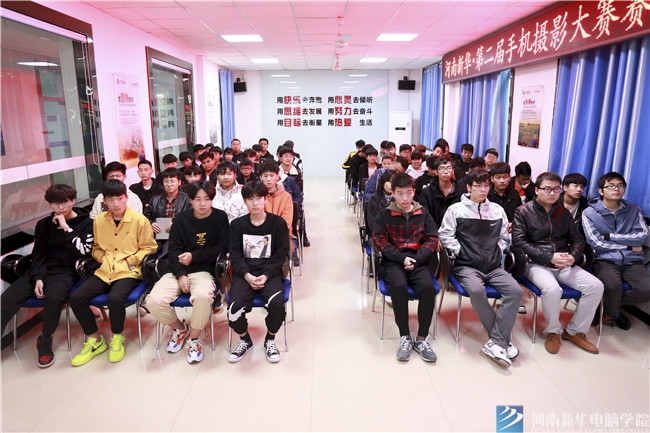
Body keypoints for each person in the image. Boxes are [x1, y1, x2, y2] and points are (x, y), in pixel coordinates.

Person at [1, 184, 94, 368]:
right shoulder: (43, 224)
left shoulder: (86, 223)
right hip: (40, 270)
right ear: (50, 204)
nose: (60, 207)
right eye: (55, 204)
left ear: (72, 201)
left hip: (66, 271)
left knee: (54, 298)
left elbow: (83, 253)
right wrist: (38, 278)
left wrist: (66, 228)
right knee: (6, 300)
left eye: (64, 202)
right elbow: (38, 254)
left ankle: (45, 339)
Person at [439, 168, 522, 368]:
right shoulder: (456, 210)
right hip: (466, 265)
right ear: (468, 187)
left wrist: (496, 250)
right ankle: (501, 340)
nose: (483, 190)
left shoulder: (497, 210)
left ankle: (497, 341)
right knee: (476, 290)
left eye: (486, 185)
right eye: (478, 186)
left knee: (516, 292)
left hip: (492, 265)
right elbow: (445, 235)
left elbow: (504, 237)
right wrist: (461, 251)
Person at [69, 180, 158, 366]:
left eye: (120, 198)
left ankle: (117, 337)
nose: (116, 203)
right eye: (111, 200)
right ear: (105, 201)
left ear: (126, 198)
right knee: (76, 297)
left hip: (128, 271)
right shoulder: (99, 221)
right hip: (105, 270)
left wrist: (130, 260)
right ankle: (94, 339)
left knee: (115, 298)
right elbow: (95, 247)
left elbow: (150, 247)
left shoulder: (139, 220)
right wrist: (102, 258)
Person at [513, 172, 603, 354]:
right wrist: (549, 257)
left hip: (563, 262)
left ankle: (575, 331)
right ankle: (553, 331)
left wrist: (573, 256)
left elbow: (578, 239)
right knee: (552, 289)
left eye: (556, 189)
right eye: (547, 189)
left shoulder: (563, 213)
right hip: (535, 263)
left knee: (595, 286)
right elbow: (519, 242)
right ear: (536, 190)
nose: (553, 193)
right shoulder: (523, 211)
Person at [146, 181, 230, 364]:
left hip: (204, 271)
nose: (202, 204)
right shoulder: (181, 219)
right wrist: (181, 274)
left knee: (202, 297)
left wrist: (194, 256)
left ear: (212, 200)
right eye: (197, 199)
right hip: (177, 270)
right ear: (190, 200)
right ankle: (180, 328)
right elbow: (173, 249)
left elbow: (222, 248)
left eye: (207, 199)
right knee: (153, 301)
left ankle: (194, 339)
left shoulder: (220, 218)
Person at [371, 173, 439, 362]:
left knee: (428, 288)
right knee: (398, 286)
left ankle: (422, 338)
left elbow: (433, 238)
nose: (404, 198)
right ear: (392, 193)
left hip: (418, 260)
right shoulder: (385, 215)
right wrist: (401, 259)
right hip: (394, 261)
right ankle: (405, 336)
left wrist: (417, 258)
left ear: (414, 192)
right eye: (400, 194)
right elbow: (379, 241)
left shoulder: (423, 212)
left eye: (408, 193)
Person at [227, 181, 290, 363]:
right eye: (250, 199)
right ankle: (244, 340)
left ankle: (270, 339)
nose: (255, 203)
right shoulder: (237, 225)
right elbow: (235, 255)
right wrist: (247, 275)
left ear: (265, 199)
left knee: (277, 305)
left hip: (269, 273)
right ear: (245, 201)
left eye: (259, 198)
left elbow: (281, 253)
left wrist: (266, 275)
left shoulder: (277, 223)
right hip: (244, 274)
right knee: (233, 308)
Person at [582, 172, 650, 330]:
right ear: (601, 191)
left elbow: (641, 236)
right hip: (605, 259)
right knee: (612, 286)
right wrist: (628, 245)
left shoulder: (633, 210)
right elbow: (596, 243)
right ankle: (615, 313)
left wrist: (610, 236)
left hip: (632, 259)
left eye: (620, 186)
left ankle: (606, 303)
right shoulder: (590, 213)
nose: (616, 189)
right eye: (611, 186)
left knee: (647, 289)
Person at [144, 168, 191, 245]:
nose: (169, 184)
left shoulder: (187, 199)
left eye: (172, 181)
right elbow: (145, 216)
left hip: (179, 236)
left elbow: (191, 217)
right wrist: (151, 223)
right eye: (166, 181)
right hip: (159, 235)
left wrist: (175, 223)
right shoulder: (155, 200)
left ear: (179, 182)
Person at [419, 155, 462, 228]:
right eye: (442, 168)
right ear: (436, 172)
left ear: (453, 170)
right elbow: (425, 216)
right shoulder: (427, 192)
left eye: (449, 168)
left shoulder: (461, 190)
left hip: (456, 229)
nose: (446, 171)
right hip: (433, 230)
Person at [487, 162, 521, 230]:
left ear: (509, 177)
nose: (502, 181)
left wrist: (514, 224)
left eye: (505, 177)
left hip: (512, 231)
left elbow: (520, 215)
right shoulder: (487, 195)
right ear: (492, 179)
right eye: (498, 177)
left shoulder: (514, 194)